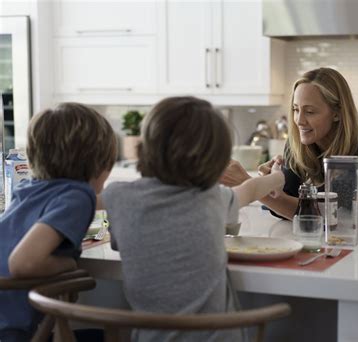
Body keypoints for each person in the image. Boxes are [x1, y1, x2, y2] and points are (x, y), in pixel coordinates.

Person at [101, 96, 284, 342]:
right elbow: (251, 189)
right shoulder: (212, 199)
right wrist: (277, 178)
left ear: (145, 147)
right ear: (216, 160)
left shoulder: (117, 196)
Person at [220, 67, 358, 220]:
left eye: (310, 111)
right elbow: (286, 209)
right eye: (296, 109)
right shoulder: (297, 145)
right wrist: (271, 185)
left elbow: (324, 215)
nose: (299, 120)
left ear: (337, 113)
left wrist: (249, 185)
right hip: (357, 237)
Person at [0, 103, 117, 341]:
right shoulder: (77, 196)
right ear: (100, 165)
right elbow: (24, 263)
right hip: (9, 326)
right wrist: (69, 266)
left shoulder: (30, 188)